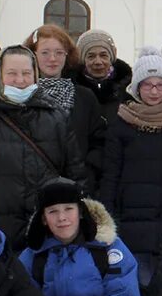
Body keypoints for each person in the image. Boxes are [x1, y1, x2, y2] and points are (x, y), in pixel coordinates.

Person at [0, 45, 86, 250]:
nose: (20, 81)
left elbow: (74, 173)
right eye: (12, 73)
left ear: (35, 75)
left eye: (26, 73)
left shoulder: (56, 117)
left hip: (47, 234)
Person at [100, 47, 162, 285]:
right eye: (147, 85)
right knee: (137, 289)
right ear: (136, 88)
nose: (154, 91)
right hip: (131, 225)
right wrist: (108, 219)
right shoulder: (121, 123)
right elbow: (110, 176)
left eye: (160, 85)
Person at [24, 24, 107, 192]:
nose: (53, 59)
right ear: (33, 55)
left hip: (74, 187)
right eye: (45, 52)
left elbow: (99, 142)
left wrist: (87, 174)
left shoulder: (85, 97)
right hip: (29, 187)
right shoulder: (22, 95)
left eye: (59, 52)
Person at [73, 29, 132, 122]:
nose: (98, 62)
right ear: (83, 60)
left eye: (103, 55)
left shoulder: (129, 89)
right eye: (91, 56)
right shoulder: (72, 90)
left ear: (111, 58)